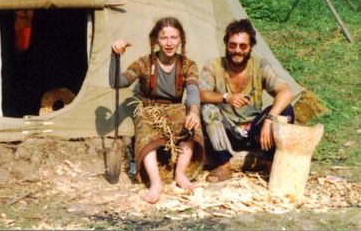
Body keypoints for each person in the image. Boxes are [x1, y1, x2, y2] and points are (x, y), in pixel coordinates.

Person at [110, 17, 204, 204]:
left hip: (176, 107)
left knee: (191, 127)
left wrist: (193, 111)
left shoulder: (188, 64)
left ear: (180, 40)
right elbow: (117, 82)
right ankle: (155, 183)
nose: (169, 43)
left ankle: (180, 174)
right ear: (155, 40)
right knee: (146, 131)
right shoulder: (144, 63)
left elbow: (193, 90)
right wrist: (115, 56)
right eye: (164, 38)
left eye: (174, 38)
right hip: (148, 107)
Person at [199, 18, 294, 183]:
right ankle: (224, 163)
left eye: (243, 46)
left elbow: (286, 92)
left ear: (250, 47)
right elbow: (200, 93)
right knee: (208, 108)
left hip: (253, 131)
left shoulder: (260, 66)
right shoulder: (213, 65)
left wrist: (269, 120)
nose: (237, 50)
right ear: (226, 44)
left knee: (286, 110)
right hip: (226, 132)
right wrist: (226, 97)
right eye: (232, 45)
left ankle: (269, 160)